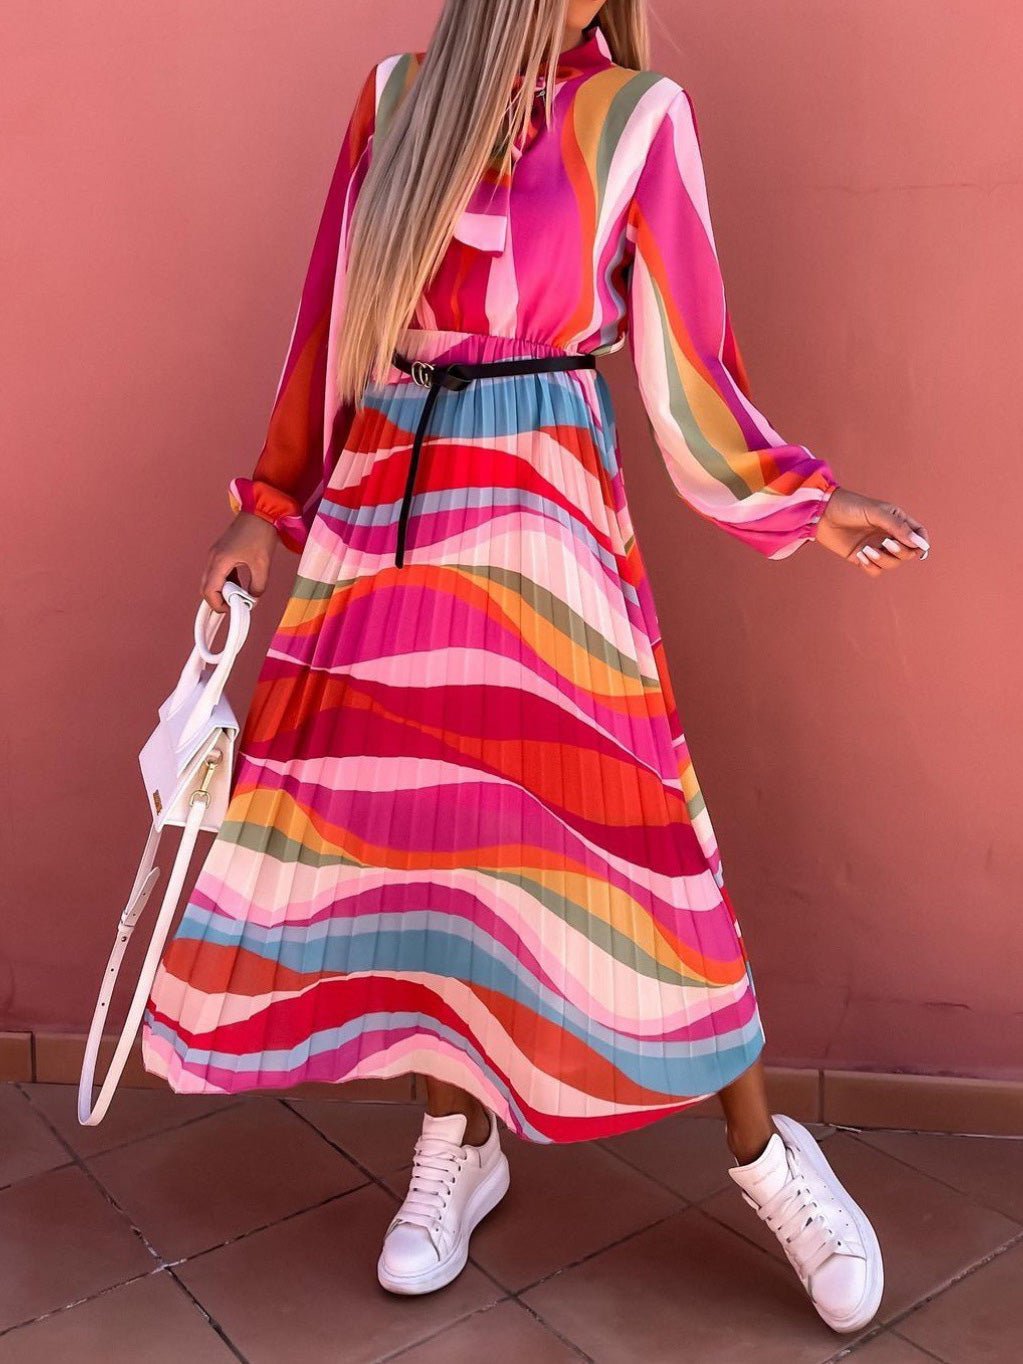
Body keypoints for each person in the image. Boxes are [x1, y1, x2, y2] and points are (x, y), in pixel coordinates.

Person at [141, 0, 928, 1333]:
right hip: (387, 513)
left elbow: (690, 367)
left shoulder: (636, 117)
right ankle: (457, 1139)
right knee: (424, 849)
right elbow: (330, 328)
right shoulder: (395, 100)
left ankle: (766, 1157)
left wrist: (801, 500)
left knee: (636, 841)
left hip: (550, 512)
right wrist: (264, 510)